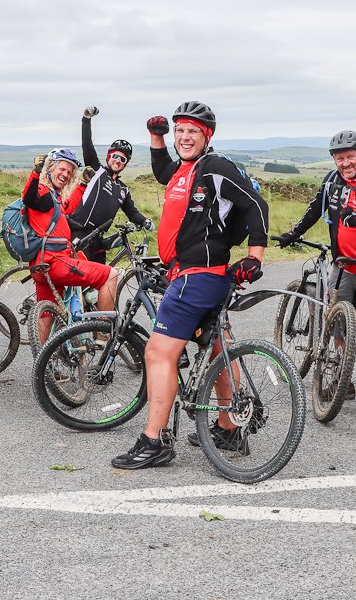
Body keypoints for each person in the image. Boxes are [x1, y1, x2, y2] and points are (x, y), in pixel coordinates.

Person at [111, 100, 269, 470]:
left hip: (196, 277)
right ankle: (229, 427)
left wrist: (256, 256)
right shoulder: (185, 170)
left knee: (158, 353)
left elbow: (256, 206)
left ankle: (155, 440)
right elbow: (164, 169)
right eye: (179, 130)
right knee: (216, 348)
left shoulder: (215, 166)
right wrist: (156, 137)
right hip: (197, 275)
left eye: (191, 132)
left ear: (207, 136)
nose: (184, 137)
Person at [275, 130, 356, 409]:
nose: (345, 163)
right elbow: (313, 211)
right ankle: (345, 380)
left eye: (350, 157)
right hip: (341, 267)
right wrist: (292, 235)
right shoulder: (331, 182)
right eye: (339, 159)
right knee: (338, 328)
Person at [22, 147, 120, 344]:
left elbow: (66, 208)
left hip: (41, 265)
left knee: (46, 314)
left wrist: (83, 185)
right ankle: (102, 331)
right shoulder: (41, 191)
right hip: (56, 262)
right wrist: (35, 173)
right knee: (111, 275)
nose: (65, 174)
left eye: (69, 172)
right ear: (50, 167)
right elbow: (29, 198)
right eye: (62, 169)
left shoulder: (53, 196)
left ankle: (45, 367)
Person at [64, 105, 152, 264]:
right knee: (77, 279)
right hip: (79, 231)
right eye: (115, 156)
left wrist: (145, 221)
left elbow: (132, 212)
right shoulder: (97, 171)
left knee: (100, 280)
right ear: (108, 157)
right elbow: (87, 146)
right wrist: (86, 120)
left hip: (97, 238)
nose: (118, 161)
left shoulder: (123, 190)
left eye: (122, 159)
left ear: (125, 164)